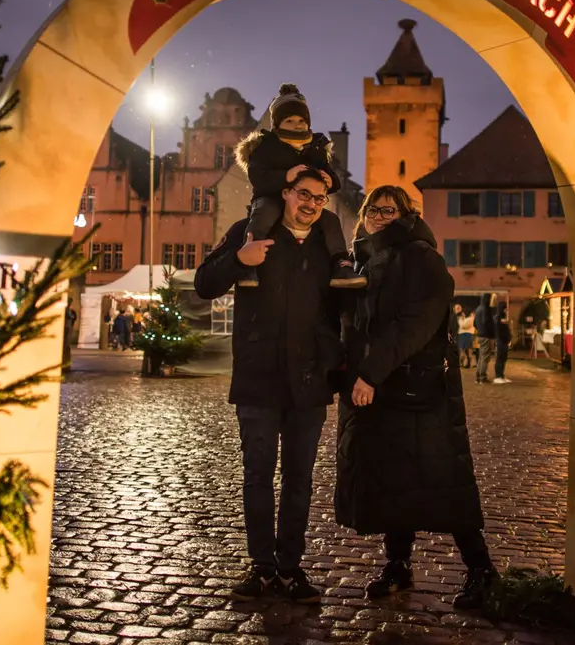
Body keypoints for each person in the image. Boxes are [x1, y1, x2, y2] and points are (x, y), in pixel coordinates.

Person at [335, 185, 497, 611]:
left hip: (418, 390)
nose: (381, 216)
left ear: (407, 215)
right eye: (375, 208)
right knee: (393, 482)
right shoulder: (364, 257)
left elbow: (416, 322)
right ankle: (398, 564)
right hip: (384, 390)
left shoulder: (420, 256)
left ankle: (482, 570)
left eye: (392, 210)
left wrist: (369, 372)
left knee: (445, 481)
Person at [194, 169, 342, 604]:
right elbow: (204, 283)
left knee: (300, 479)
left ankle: (290, 568)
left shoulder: (330, 247)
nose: (311, 203)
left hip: (310, 384)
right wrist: (241, 259)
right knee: (258, 475)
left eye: (320, 197)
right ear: (286, 194)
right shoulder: (249, 231)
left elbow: (342, 309)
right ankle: (261, 568)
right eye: (304, 194)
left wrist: (333, 361)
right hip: (259, 379)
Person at [233, 83, 364, 289]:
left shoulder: (316, 146)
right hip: (270, 197)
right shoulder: (265, 146)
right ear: (277, 124)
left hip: (306, 201)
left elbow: (330, 175)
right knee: (264, 216)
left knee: (330, 220)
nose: (297, 125)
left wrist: (330, 181)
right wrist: (285, 176)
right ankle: (251, 264)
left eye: (302, 120)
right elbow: (258, 177)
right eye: (290, 120)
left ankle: (341, 262)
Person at [473, 293, 497, 383]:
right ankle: (482, 377)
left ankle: (478, 375)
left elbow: (475, 323)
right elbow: (487, 322)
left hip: (480, 335)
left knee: (481, 356)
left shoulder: (478, 309)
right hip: (486, 335)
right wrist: (492, 331)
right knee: (485, 356)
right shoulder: (486, 309)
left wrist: (480, 329)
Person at [492, 301, 512, 384]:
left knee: (504, 358)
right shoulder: (498, 318)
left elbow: (506, 329)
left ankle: (502, 375)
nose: (506, 310)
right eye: (505, 308)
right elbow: (499, 330)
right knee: (499, 358)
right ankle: (498, 376)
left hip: (505, 341)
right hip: (500, 341)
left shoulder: (503, 317)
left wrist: (509, 338)